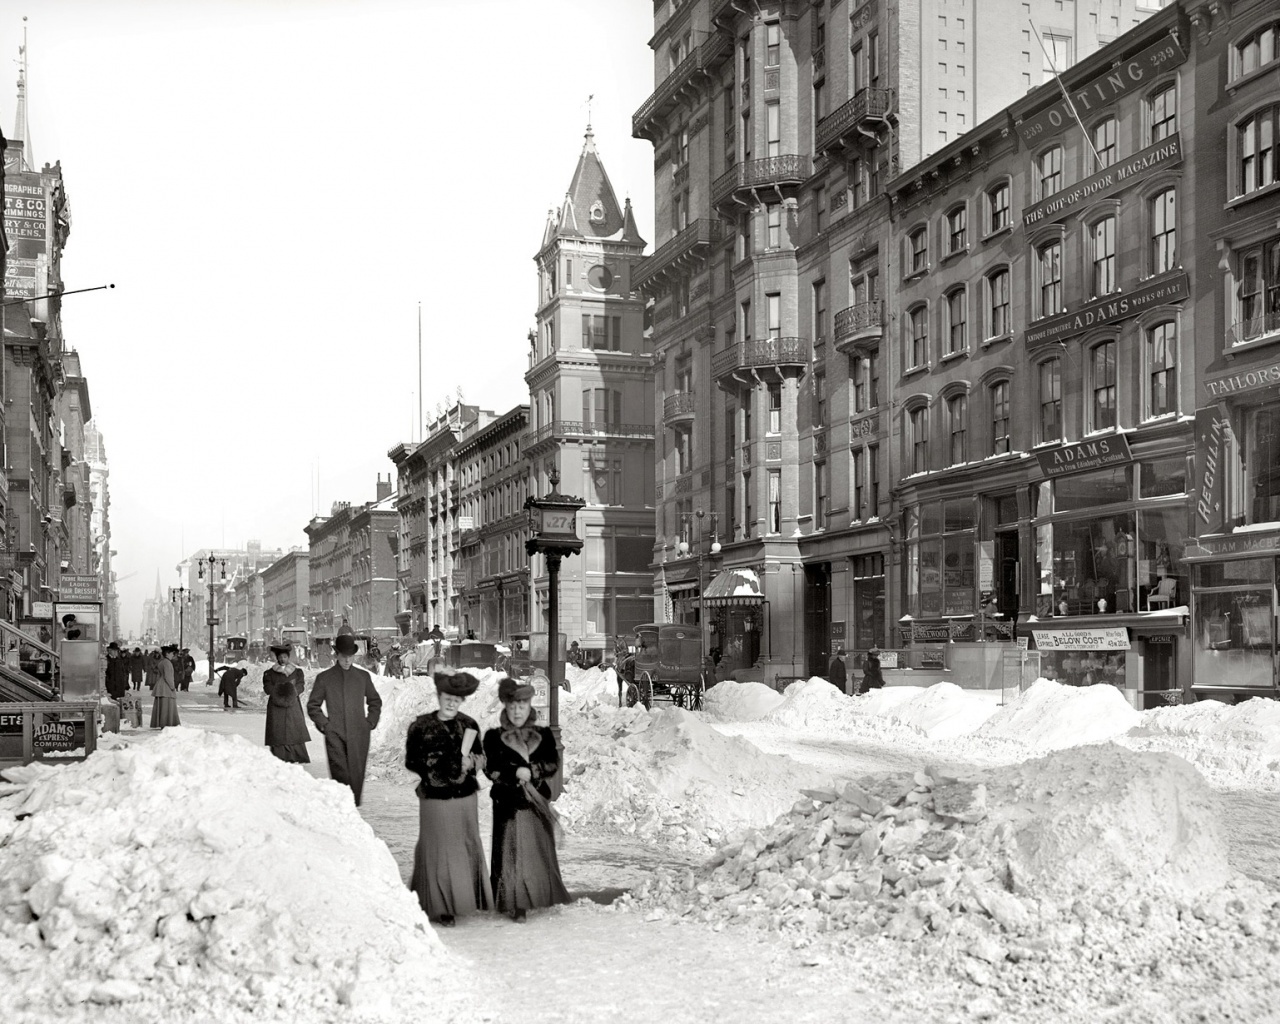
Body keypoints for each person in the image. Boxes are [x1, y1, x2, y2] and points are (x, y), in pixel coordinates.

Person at [404, 669, 492, 926]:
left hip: (464, 797)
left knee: (463, 846)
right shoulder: (420, 726)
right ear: (439, 695)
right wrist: (450, 765)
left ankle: (467, 900)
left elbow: (481, 758)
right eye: (447, 696)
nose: (452, 702)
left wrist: (472, 763)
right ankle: (439, 906)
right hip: (434, 797)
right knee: (438, 849)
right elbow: (412, 761)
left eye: (457, 698)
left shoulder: (469, 724)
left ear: (462, 700)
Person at [483, 676, 570, 922]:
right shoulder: (493, 737)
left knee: (535, 853)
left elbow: (553, 763)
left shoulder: (542, 735)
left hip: (535, 804)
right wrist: (513, 773)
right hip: (508, 804)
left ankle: (539, 894)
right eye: (512, 707)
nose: (517, 711)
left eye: (522, 706)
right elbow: (490, 769)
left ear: (530, 706)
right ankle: (515, 903)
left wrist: (534, 771)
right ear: (506, 708)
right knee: (511, 856)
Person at [307, 633, 382, 805]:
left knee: (356, 774)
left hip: (359, 733)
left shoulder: (363, 677)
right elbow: (313, 705)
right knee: (340, 774)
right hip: (335, 734)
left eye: (351, 657)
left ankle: (353, 810)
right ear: (337, 655)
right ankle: (342, 809)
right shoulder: (324, 678)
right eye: (343, 656)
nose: (347, 660)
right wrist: (325, 725)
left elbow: (374, 701)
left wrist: (369, 721)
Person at [264, 640, 311, 762]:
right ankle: (279, 756)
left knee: (294, 729)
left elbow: (301, 685)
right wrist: (278, 692)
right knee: (278, 731)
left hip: (292, 704)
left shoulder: (297, 672)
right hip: (276, 706)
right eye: (280, 657)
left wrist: (292, 692)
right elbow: (268, 688)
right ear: (277, 658)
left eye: (285, 656)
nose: (283, 659)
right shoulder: (270, 673)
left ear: (288, 657)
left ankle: (296, 756)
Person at [150, 645, 181, 728]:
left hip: (161, 685)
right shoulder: (167, 663)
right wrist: (172, 686)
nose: (173, 655)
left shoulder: (162, 661)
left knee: (162, 706)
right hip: (166, 687)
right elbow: (168, 676)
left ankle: (162, 722)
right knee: (167, 706)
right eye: (171, 653)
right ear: (167, 654)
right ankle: (167, 723)